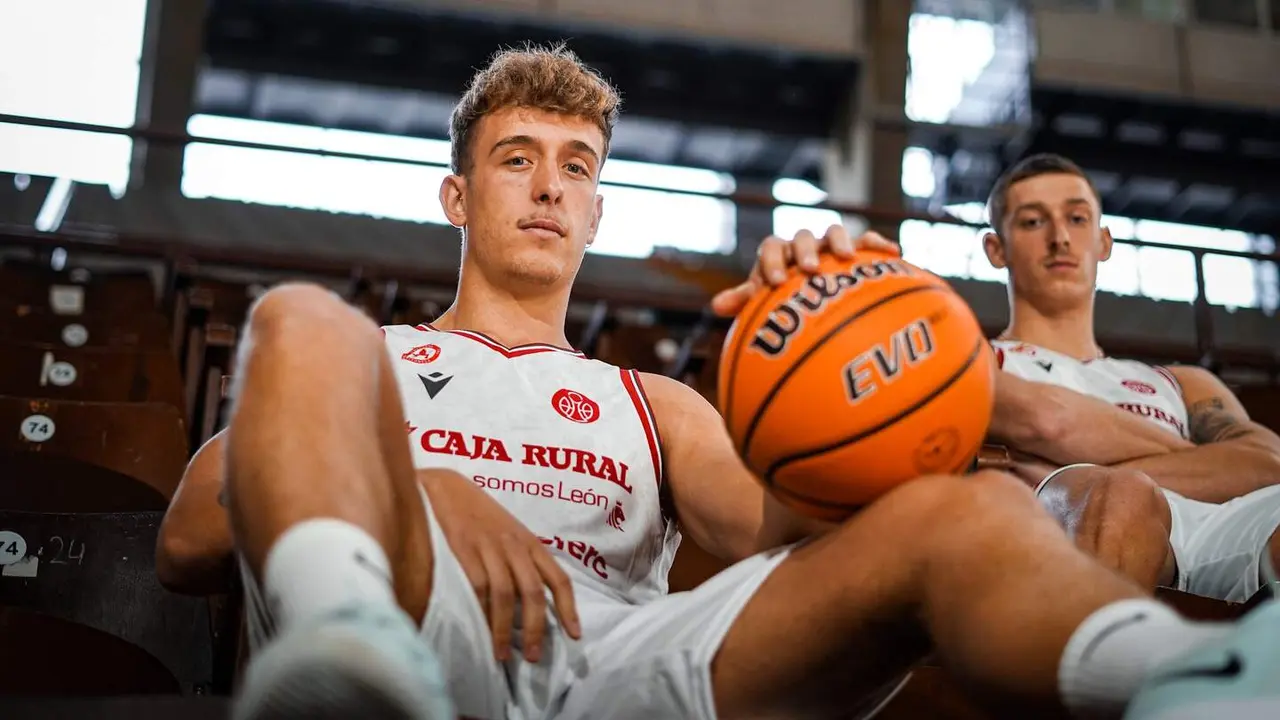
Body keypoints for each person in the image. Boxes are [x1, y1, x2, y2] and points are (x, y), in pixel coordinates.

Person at [157, 45, 1272, 720]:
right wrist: (417, 490)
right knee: (299, 314)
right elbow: (194, 531)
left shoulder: (658, 405)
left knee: (965, 509)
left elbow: (785, 529)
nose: (548, 187)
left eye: (575, 168)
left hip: (615, 668)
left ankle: (1199, 678)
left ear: (598, 211)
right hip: (407, 617)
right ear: (459, 199)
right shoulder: (373, 360)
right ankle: (345, 666)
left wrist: (846, 323)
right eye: (515, 159)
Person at [974, 153, 1280, 604]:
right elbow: (1049, 419)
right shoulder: (979, 359)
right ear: (996, 249)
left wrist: (1055, 463)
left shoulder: (1185, 383)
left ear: (1103, 242)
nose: (1060, 238)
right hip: (1071, 530)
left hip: (1220, 526)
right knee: (1119, 496)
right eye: (1033, 222)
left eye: (1077, 219)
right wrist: (1205, 460)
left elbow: (1265, 463)